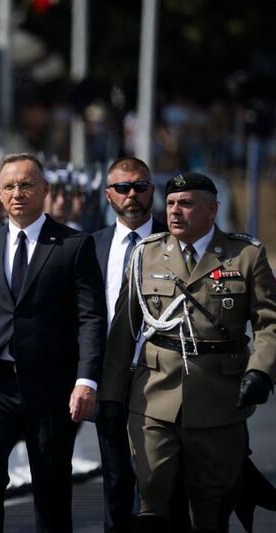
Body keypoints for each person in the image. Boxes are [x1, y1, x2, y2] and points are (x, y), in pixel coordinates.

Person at [101, 172, 276, 531]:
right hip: (155, 396)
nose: (176, 212)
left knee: (212, 505)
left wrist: (260, 370)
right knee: (151, 495)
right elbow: (124, 332)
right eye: (171, 204)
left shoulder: (245, 255)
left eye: (186, 204)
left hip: (220, 400)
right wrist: (109, 396)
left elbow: (269, 322)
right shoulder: (147, 254)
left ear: (211, 210)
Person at [0, 153, 106, 532]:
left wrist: (86, 379)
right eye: (9, 186)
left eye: (26, 184)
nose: (17, 192)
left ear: (44, 190)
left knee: (51, 489)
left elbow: (91, 317)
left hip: (51, 387)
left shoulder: (73, 244)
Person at [91, 156, 165, 532]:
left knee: (155, 479)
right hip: (111, 378)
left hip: (162, 377)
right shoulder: (92, 246)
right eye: (122, 188)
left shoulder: (176, 239)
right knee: (117, 480)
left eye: (139, 186)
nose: (131, 195)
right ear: (109, 195)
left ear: (153, 190)